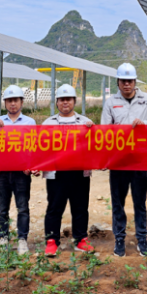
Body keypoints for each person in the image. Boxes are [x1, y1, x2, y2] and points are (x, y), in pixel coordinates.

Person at [101, 63, 147, 257]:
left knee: (139, 202)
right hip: (118, 162)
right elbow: (104, 130)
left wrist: (144, 124)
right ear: (118, 82)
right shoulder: (111, 103)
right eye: (123, 81)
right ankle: (119, 240)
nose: (127, 84)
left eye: (130, 80)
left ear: (135, 82)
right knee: (118, 203)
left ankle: (141, 239)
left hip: (140, 160)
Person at [42, 84, 95, 257]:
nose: (65, 102)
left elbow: (94, 146)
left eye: (69, 99)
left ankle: (80, 238)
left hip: (79, 172)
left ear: (74, 101)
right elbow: (41, 148)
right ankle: (51, 241)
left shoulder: (85, 123)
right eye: (62, 99)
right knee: (55, 207)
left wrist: (93, 131)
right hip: (56, 173)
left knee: (80, 207)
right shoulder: (48, 123)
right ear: (57, 102)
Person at [0, 85, 37, 256]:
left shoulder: (29, 123)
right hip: (1, 171)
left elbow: (33, 147)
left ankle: (22, 239)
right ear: (5, 103)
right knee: (2, 208)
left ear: (21, 102)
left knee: (22, 207)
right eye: (9, 101)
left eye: (15, 100)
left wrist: (31, 165)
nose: (12, 104)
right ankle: (3, 238)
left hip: (21, 173)